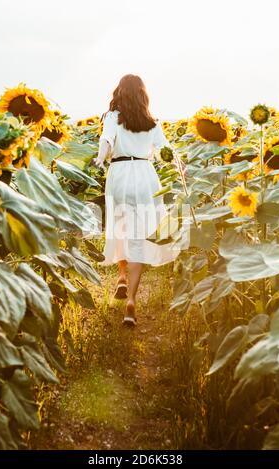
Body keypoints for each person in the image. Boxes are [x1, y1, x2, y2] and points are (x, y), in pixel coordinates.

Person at [94, 74, 179, 326]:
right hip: (144, 176)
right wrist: (178, 164)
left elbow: (106, 140)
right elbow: (165, 151)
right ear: (143, 94)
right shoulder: (152, 123)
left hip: (119, 174)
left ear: (119, 92)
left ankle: (121, 275)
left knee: (121, 228)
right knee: (140, 234)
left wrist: (100, 158)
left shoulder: (112, 117)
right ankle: (131, 300)